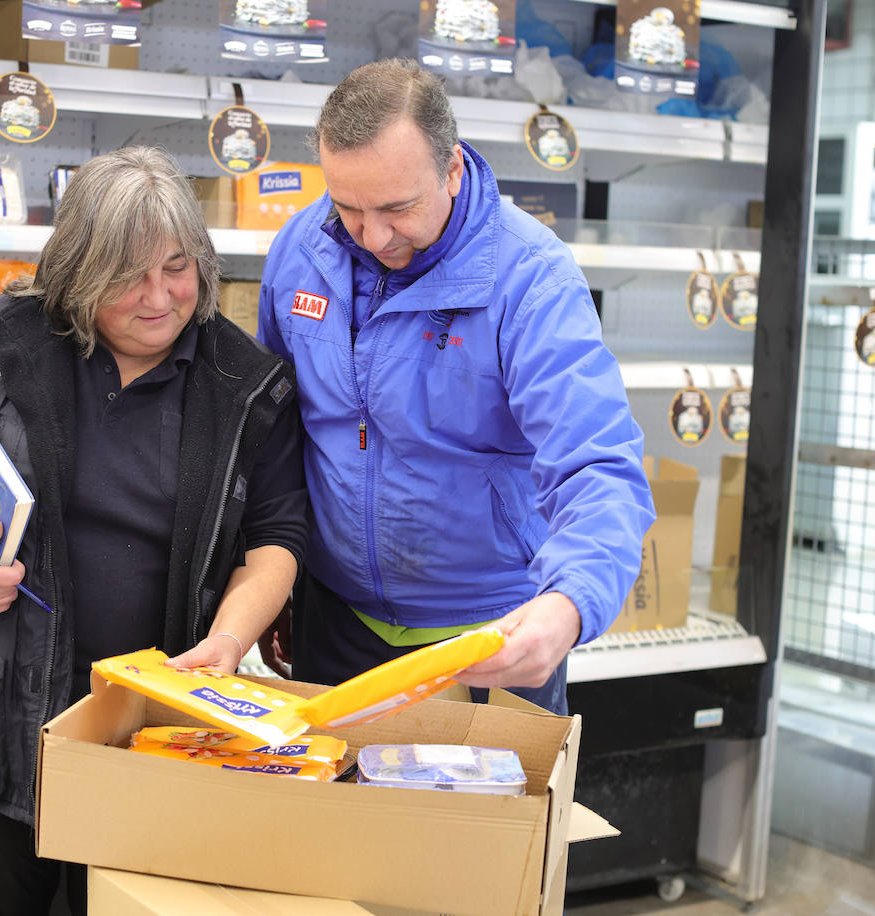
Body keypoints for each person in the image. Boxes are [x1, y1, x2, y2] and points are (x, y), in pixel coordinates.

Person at [0, 146, 307, 916]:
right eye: (128, 275)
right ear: (76, 271)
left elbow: (276, 541)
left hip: (153, 725)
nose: (159, 297)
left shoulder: (247, 384)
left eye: (177, 267)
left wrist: (230, 643)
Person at [256, 59, 656, 715]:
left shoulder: (529, 278)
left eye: (397, 208)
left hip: (490, 638)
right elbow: (272, 437)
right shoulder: (299, 250)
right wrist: (274, 579)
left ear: (452, 168)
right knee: (333, 816)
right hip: (334, 623)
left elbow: (598, 461)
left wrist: (569, 604)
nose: (375, 236)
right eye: (348, 207)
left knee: (478, 821)